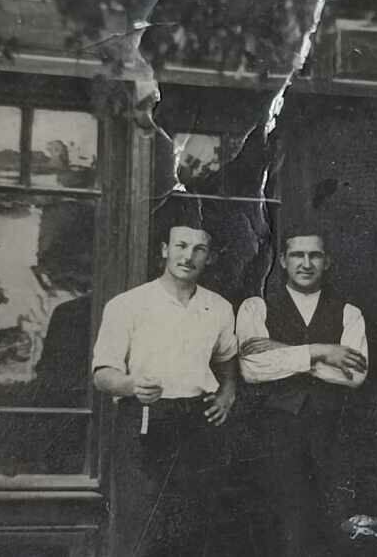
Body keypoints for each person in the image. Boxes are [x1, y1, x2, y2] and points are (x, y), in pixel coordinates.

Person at [91, 220, 238, 557]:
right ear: (164, 250)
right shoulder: (127, 304)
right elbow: (102, 374)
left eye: (199, 249)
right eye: (181, 246)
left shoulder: (218, 307)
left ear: (209, 257)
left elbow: (228, 356)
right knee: (139, 523)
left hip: (198, 421)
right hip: (144, 419)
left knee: (193, 520)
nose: (188, 256)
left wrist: (228, 392)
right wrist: (130, 384)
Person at [235, 229, 369, 557]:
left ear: (327, 262)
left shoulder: (349, 312)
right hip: (274, 433)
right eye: (297, 255)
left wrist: (283, 355)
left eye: (315, 256)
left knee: (334, 523)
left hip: (332, 432)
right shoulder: (257, 308)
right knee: (282, 525)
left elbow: (354, 374)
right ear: (282, 261)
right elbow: (252, 369)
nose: (306, 263)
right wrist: (321, 352)